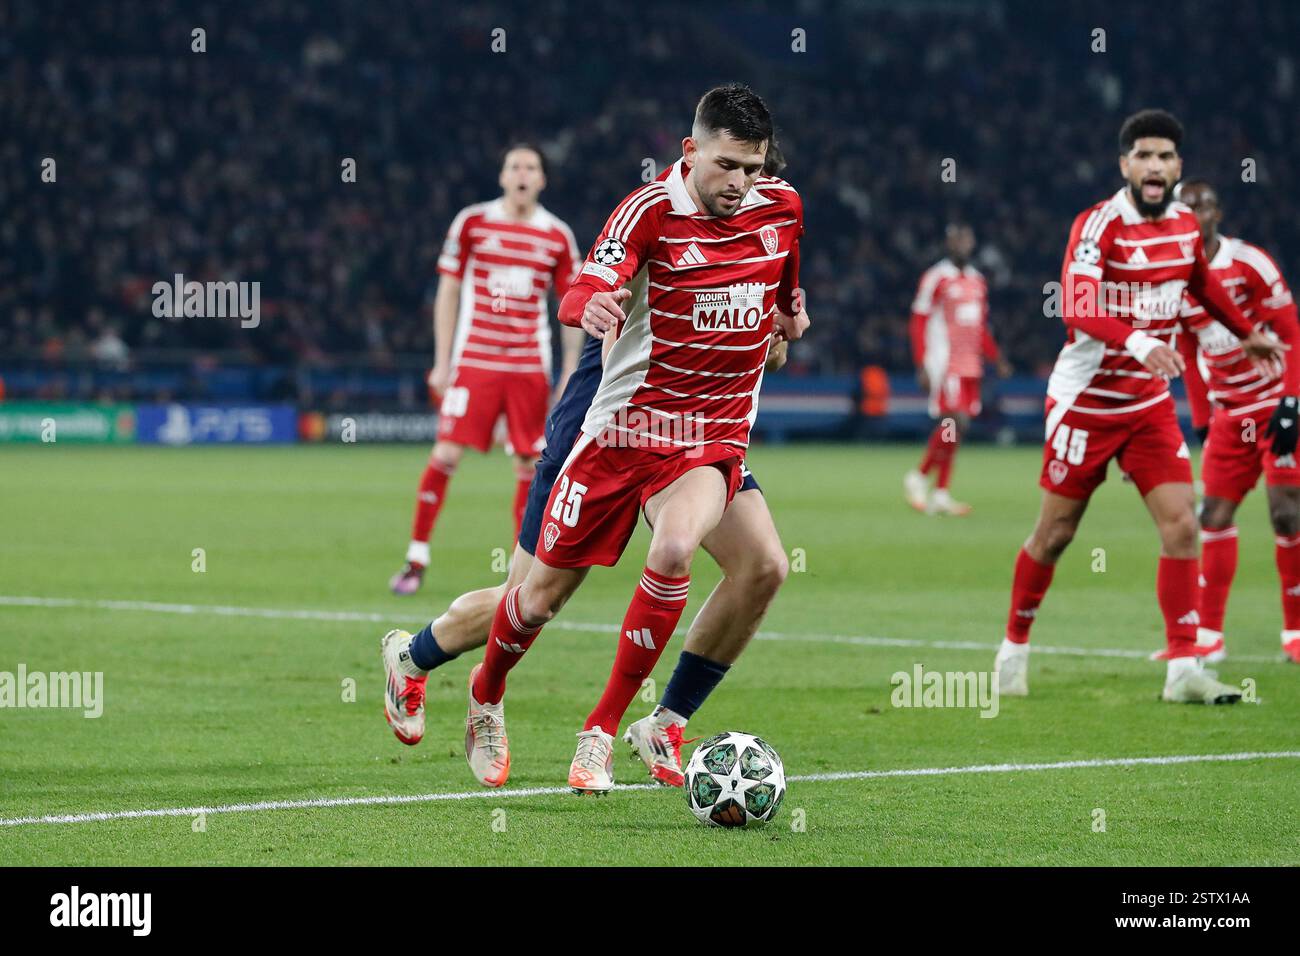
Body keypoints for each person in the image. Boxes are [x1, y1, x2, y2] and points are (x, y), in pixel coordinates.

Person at [454, 84, 805, 794]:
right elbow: (580, 290)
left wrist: (786, 323)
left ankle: (612, 729)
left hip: (709, 437)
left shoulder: (782, 207)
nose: (739, 183)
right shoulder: (647, 212)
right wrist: (594, 303)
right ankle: (484, 695)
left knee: (738, 560)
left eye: (752, 167)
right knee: (537, 600)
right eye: (726, 165)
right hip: (623, 435)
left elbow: (785, 290)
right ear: (690, 151)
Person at [995, 109, 1285, 703]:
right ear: (1124, 164)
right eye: (1144, 156)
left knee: (1183, 523)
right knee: (1055, 534)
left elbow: (1200, 284)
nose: (1155, 167)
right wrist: (1139, 339)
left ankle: (1183, 669)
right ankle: (1013, 647)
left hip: (1149, 405)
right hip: (1087, 404)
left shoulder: (1182, 224)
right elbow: (1076, 306)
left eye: (1166, 156)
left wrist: (1246, 329)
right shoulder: (1098, 225)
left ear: (1179, 167)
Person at [389, 144, 585, 595]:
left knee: (529, 462)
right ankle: (416, 557)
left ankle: (523, 570)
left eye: (531, 167)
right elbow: (448, 292)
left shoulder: (556, 236)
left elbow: (571, 306)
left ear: (542, 180)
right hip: (475, 361)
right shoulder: (473, 223)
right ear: (502, 177)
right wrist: (443, 361)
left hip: (527, 366)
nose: (522, 173)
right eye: (514, 166)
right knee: (446, 454)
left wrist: (571, 369)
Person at [1169, 179, 1300, 664]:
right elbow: (1188, 349)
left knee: (1286, 513)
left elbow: (1290, 331)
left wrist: (1292, 403)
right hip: (1229, 416)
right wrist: (1203, 424)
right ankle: (1209, 634)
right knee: (1213, 517)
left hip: (1272, 405)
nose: (1193, 213)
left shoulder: (1250, 263)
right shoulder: (1176, 281)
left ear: (1217, 213)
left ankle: (1295, 630)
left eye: (1201, 205)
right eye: (1185, 207)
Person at [904, 222, 1011, 515]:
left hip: (970, 364)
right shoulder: (936, 278)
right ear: (948, 244)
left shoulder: (977, 280)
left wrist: (995, 357)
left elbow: (980, 326)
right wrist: (922, 363)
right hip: (944, 361)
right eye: (957, 240)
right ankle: (919, 476)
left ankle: (940, 493)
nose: (962, 245)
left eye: (967, 239)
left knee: (957, 429)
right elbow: (919, 321)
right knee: (955, 421)